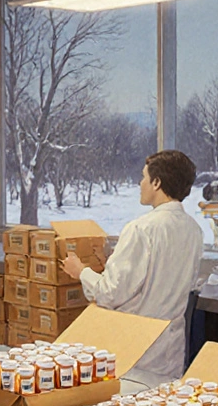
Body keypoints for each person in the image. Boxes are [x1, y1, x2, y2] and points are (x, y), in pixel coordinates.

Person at [62, 150, 203, 379]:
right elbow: (163, 276)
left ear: (156, 183)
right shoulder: (194, 230)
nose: (140, 184)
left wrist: (81, 272)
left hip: (137, 350)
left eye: (143, 177)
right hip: (170, 350)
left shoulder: (141, 228)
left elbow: (110, 293)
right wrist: (112, 261)